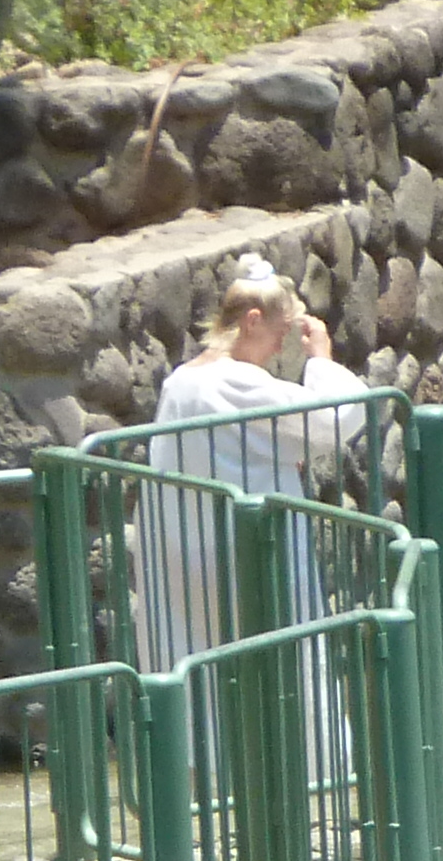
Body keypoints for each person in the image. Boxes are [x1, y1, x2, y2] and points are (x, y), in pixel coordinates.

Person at [136, 254, 370, 672]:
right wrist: (320, 359)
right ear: (253, 321)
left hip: (181, 549)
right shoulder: (236, 381)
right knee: (284, 662)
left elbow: (244, 445)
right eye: (279, 333)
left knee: (196, 666)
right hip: (237, 556)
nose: (281, 347)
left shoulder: (180, 382)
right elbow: (337, 416)